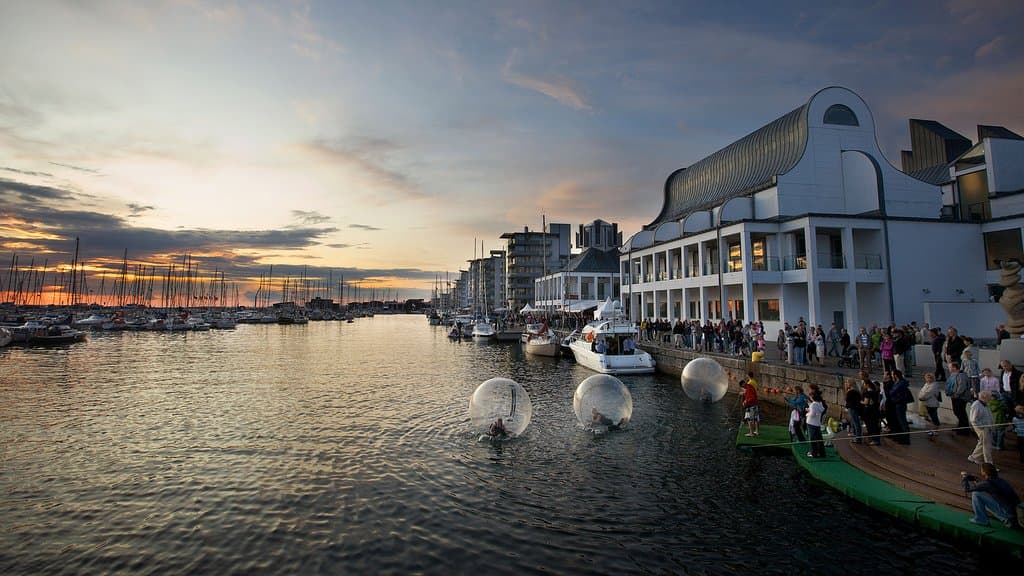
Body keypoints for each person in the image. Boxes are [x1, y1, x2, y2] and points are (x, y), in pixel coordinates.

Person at [960, 462, 1020, 528]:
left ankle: (981, 519)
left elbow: (967, 489)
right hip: (1015, 513)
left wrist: (964, 477)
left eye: (981, 470)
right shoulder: (1001, 480)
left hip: (1008, 516)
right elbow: (984, 485)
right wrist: (975, 480)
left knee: (976, 494)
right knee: (985, 496)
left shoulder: (987, 484)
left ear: (984, 472)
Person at [968, 390, 996, 465]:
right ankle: (989, 463)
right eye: (990, 397)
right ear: (985, 397)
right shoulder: (976, 405)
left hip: (987, 427)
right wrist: (982, 427)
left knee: (982, 442)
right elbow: (973, 419)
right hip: (983, 428)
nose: (991, 398)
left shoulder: (985, 404)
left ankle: (974, 457)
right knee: (987, 446)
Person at [948, 362, 973, 436]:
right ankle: (960, 427)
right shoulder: (953, 375)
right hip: (954, 396)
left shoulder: (962, 376)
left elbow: (961, 387)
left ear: (954, 368)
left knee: (961, 412)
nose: (949, 368)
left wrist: (956, 394)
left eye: (950, 367)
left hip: (961, 397)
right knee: (957, 412)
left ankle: (964, 429)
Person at [917, 372, 943, 437]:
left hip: (932, 404)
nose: (927, 379)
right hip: (927, 404)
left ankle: (935, 430)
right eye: (926, 378)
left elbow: (927, 394)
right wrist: (921, 396)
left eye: (928, 378)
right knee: (929, 417)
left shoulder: (934, 385)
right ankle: (932, 429)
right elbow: (921, 392)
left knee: (934, 417)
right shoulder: (926, 384)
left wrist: (921, 397)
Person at [861, 376, 882, 445]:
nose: (863, 385)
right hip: (875, 410)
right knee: (875, 425)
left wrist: (860, 402)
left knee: (871, 425)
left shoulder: (868, 393)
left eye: (864, 384)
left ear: (867, 385)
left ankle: (874, 439)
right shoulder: (876, 392)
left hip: (870, 411)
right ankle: (876, 439)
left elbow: (866, 402)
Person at [806, 391, 827, 458]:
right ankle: (822, 453)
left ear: (812, 397)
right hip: (817, 423)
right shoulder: (820, 403)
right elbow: (819, 411)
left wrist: (807, 413)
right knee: (819, 438)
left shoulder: (813, 404)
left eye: (810, 396)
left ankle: (813, 453)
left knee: (812, 439)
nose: (810, 398)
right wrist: (810, 409)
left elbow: (812, 414)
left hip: (811, 423)